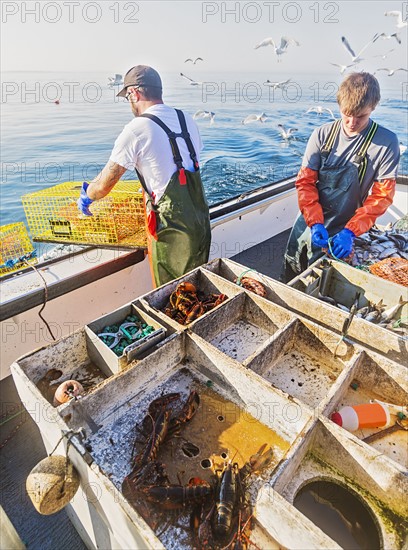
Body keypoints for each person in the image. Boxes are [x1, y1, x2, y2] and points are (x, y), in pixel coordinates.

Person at [77, 65, 211, 287]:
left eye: (127, 97)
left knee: (172, 295)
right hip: (200, 220)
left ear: (134, 93)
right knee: (196, 284)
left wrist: (87, 195)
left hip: (172, 230)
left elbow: (104, 185)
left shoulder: (136, 129)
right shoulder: (186, 119)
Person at [282, 72, 400, 282]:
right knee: (292, 266)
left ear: (374, 107)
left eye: (360, 116)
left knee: (321, 278)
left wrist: (350, 232)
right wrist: (314, 221)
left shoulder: (386, 142)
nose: (352, 122)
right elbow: (305, 182)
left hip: (347, 225)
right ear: (339, 106)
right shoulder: (322, 134)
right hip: (309, 217)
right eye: (346, 113)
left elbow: (381, 197)